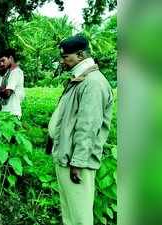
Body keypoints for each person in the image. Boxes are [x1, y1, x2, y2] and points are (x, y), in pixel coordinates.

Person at [48, 35, 113, 225]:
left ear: (80, 54)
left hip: (76, 162)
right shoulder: (81, 79)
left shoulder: (93, 83)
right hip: (66, 157)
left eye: (65, 57)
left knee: (80, 218)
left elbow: (88, 127)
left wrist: (78, 162)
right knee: (70, 213)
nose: (62, 61)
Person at [0, 48, 25, 118]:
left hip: (11, 115)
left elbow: (7, 93)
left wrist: (0, 91)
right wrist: (0, 92)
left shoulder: (15, 72)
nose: (0, 63)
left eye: (3, 60)